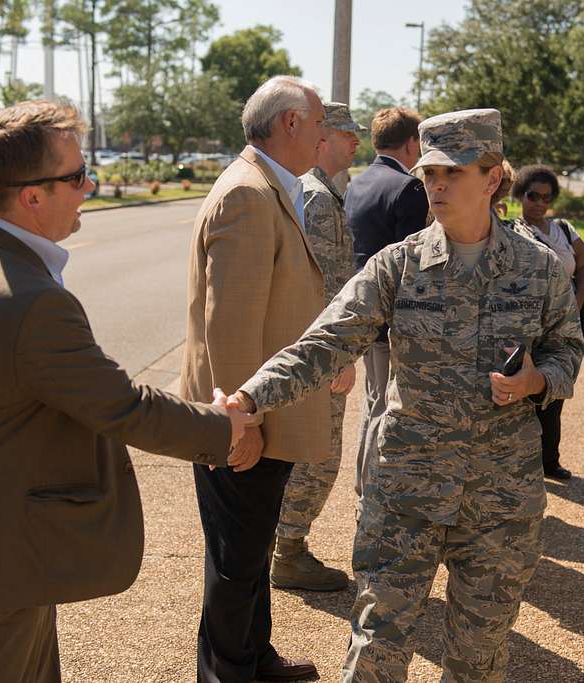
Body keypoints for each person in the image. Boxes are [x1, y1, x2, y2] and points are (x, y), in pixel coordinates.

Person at [0, 100, 250, 683]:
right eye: (76, 176)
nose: (90, 185)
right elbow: (122, 406)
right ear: (32, 196)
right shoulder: (33, 301)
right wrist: (223, 427)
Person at [230, 109, 584, 682]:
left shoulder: (539, 269)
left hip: (499, 502)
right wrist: (250, 399)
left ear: (492, 179)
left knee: (479, 659)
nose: (436, 186)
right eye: (428, 174)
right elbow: (323, 344)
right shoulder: (399, 265)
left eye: (452, 173)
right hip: (407, 491)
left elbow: (567, 350)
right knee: (376, 651)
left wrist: (537, 381)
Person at [178, 75, 328, 683]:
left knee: (248, 552)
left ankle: (252, 659)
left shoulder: (266, 186)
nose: (323, 136)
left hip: (255, 409)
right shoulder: (247, 193)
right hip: (242, 416)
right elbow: (230, 326)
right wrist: (241, 422)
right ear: (290, 123)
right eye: (319, 124)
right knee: (236, 561)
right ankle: (227, 672)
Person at [271, 102, 366, 592]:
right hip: (318, 355)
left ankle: (282, 547)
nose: (356, 141)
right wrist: (340, 358)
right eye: (348, 133)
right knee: (318, 457)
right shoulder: (318, 198)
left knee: (309, 454)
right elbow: (325, 289)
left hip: (306, 351)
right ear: (322, 138)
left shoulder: (319, 193)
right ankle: (287, 551)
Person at [344, 106, 430, 515]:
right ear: (412, 142)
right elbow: (409, 262)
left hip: (362, 309)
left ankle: (364, 484)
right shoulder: (408, 188)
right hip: (393, 315)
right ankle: (370, 491)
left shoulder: (357, 183)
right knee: (386, 404)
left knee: (373, 400)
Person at [509, 165, 584, 482]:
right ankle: (523, 462)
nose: (540, 203)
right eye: (533, 195)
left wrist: (577, 302)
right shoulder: (512, 229)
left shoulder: (564, 228)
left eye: (546, 197)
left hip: (564, 322)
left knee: (556, 392)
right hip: (531, 324)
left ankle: (550, 460)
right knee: (527, 393)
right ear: (521, 195)